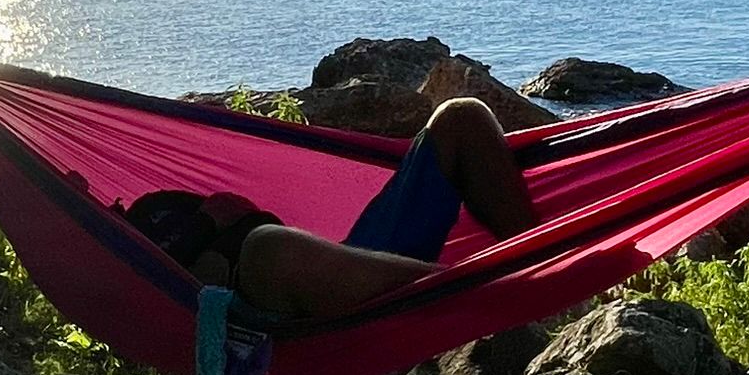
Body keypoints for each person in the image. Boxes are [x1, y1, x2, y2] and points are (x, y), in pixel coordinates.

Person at [122, 96, 537, 318]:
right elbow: (194, 293)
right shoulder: (110, 257)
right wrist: (213, 230)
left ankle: (542, 270)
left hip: (343, 269)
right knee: (269, 247)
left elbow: (239, 216)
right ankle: (496, 293)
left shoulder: (151, 209)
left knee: (461, 116)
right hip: (280, 317)